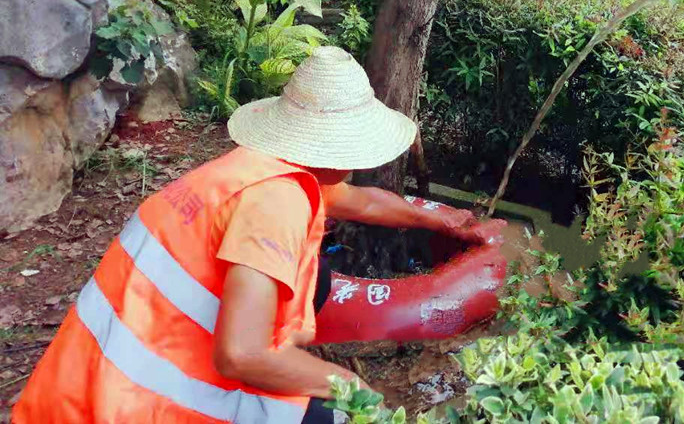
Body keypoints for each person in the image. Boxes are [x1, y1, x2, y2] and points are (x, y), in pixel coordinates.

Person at [13, 46, 498, 424]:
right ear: (338, 148)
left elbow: (362, 201)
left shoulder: (260, 168)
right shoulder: (277, 203)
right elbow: (240, 355)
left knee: (320, 282)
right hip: (133, 399)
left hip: (89, 368)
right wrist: (348, 384)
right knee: (333, 412)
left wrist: (439, 219)